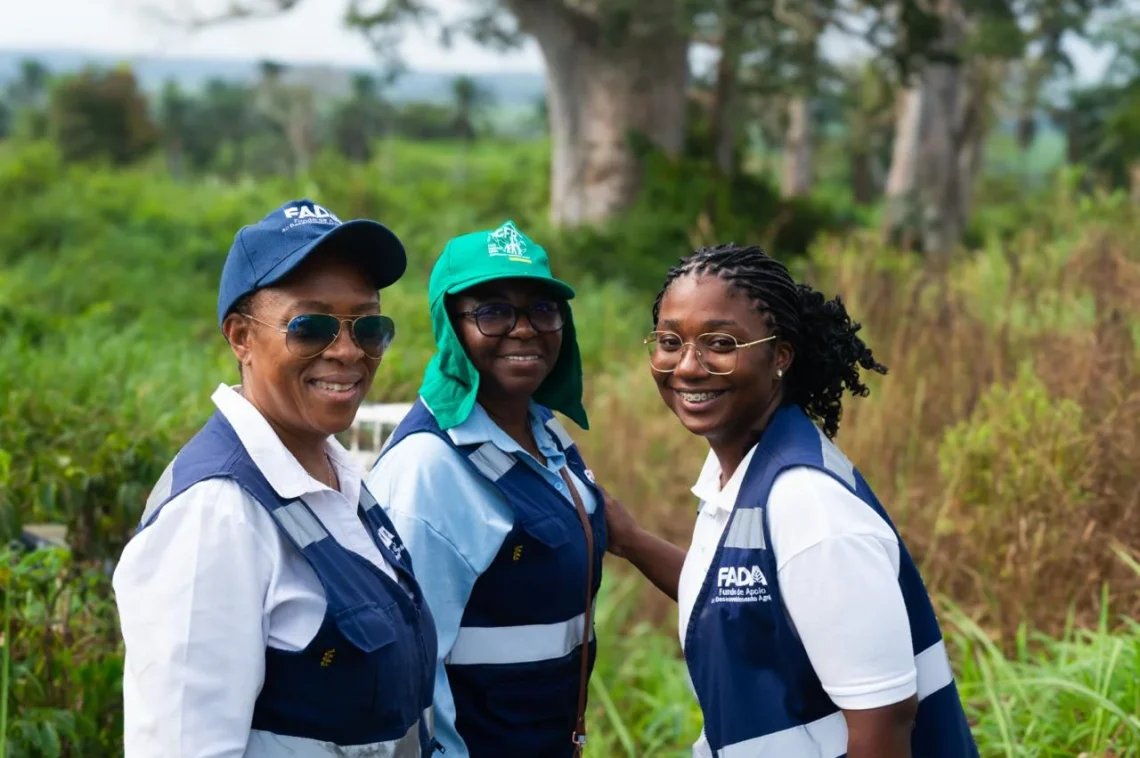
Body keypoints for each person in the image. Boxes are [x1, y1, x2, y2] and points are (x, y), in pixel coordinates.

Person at [603, 243, 979, 758]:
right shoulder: (744, 469)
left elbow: (884, 723)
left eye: (720, 343)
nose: (687, 366)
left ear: (779, 355)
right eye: (670, 341)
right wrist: (630, 540)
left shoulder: (809, 506)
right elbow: (737, 601)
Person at [112, 199, 440, 757]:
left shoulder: (336, 477)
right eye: (310, 328)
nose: (347, 351)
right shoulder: (215, 517)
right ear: (240, 337)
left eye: (368, 327)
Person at [365, 220, 606, 758]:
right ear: (449, 325)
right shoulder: (429, 469)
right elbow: (407, 675)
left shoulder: (544, 430)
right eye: (493, 312)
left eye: (542, 309)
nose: (524, 329)